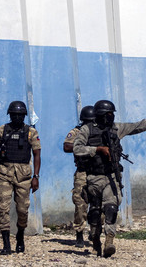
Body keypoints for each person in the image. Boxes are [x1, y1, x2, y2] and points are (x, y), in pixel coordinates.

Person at [72, 99, 146, 258]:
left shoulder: (117, 128)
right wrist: (97, 149)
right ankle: (95, 240)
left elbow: (139, 126)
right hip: (93, 177)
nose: (110, 117)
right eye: (107, 114)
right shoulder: (87, 130)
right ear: (99, 115)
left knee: (111, 207)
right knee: (94, 212)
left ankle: (109, 241)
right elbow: (77, 148)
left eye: (112, 114)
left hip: (111, 176)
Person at [0, 100, 41, 254]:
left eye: (20, 115)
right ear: (10, 115)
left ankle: (20, 235)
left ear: (24, 116)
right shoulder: (2, 130)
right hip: (4, 172)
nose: (17, 118)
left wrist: (36, 176)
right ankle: (6, 244)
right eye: (14, 115)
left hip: (23, 175)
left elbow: (37, 155)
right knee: (3, 208)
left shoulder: (31, 132)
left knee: (22, 209)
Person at [63, 105, 97, 247]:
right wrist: (85, 147)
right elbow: (66, 146)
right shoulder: (76, 132)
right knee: (80, 204)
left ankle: (95, 233)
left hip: (97, 172)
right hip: (82, 172)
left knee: (98, 205)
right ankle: (79, 234)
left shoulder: (99, 132)